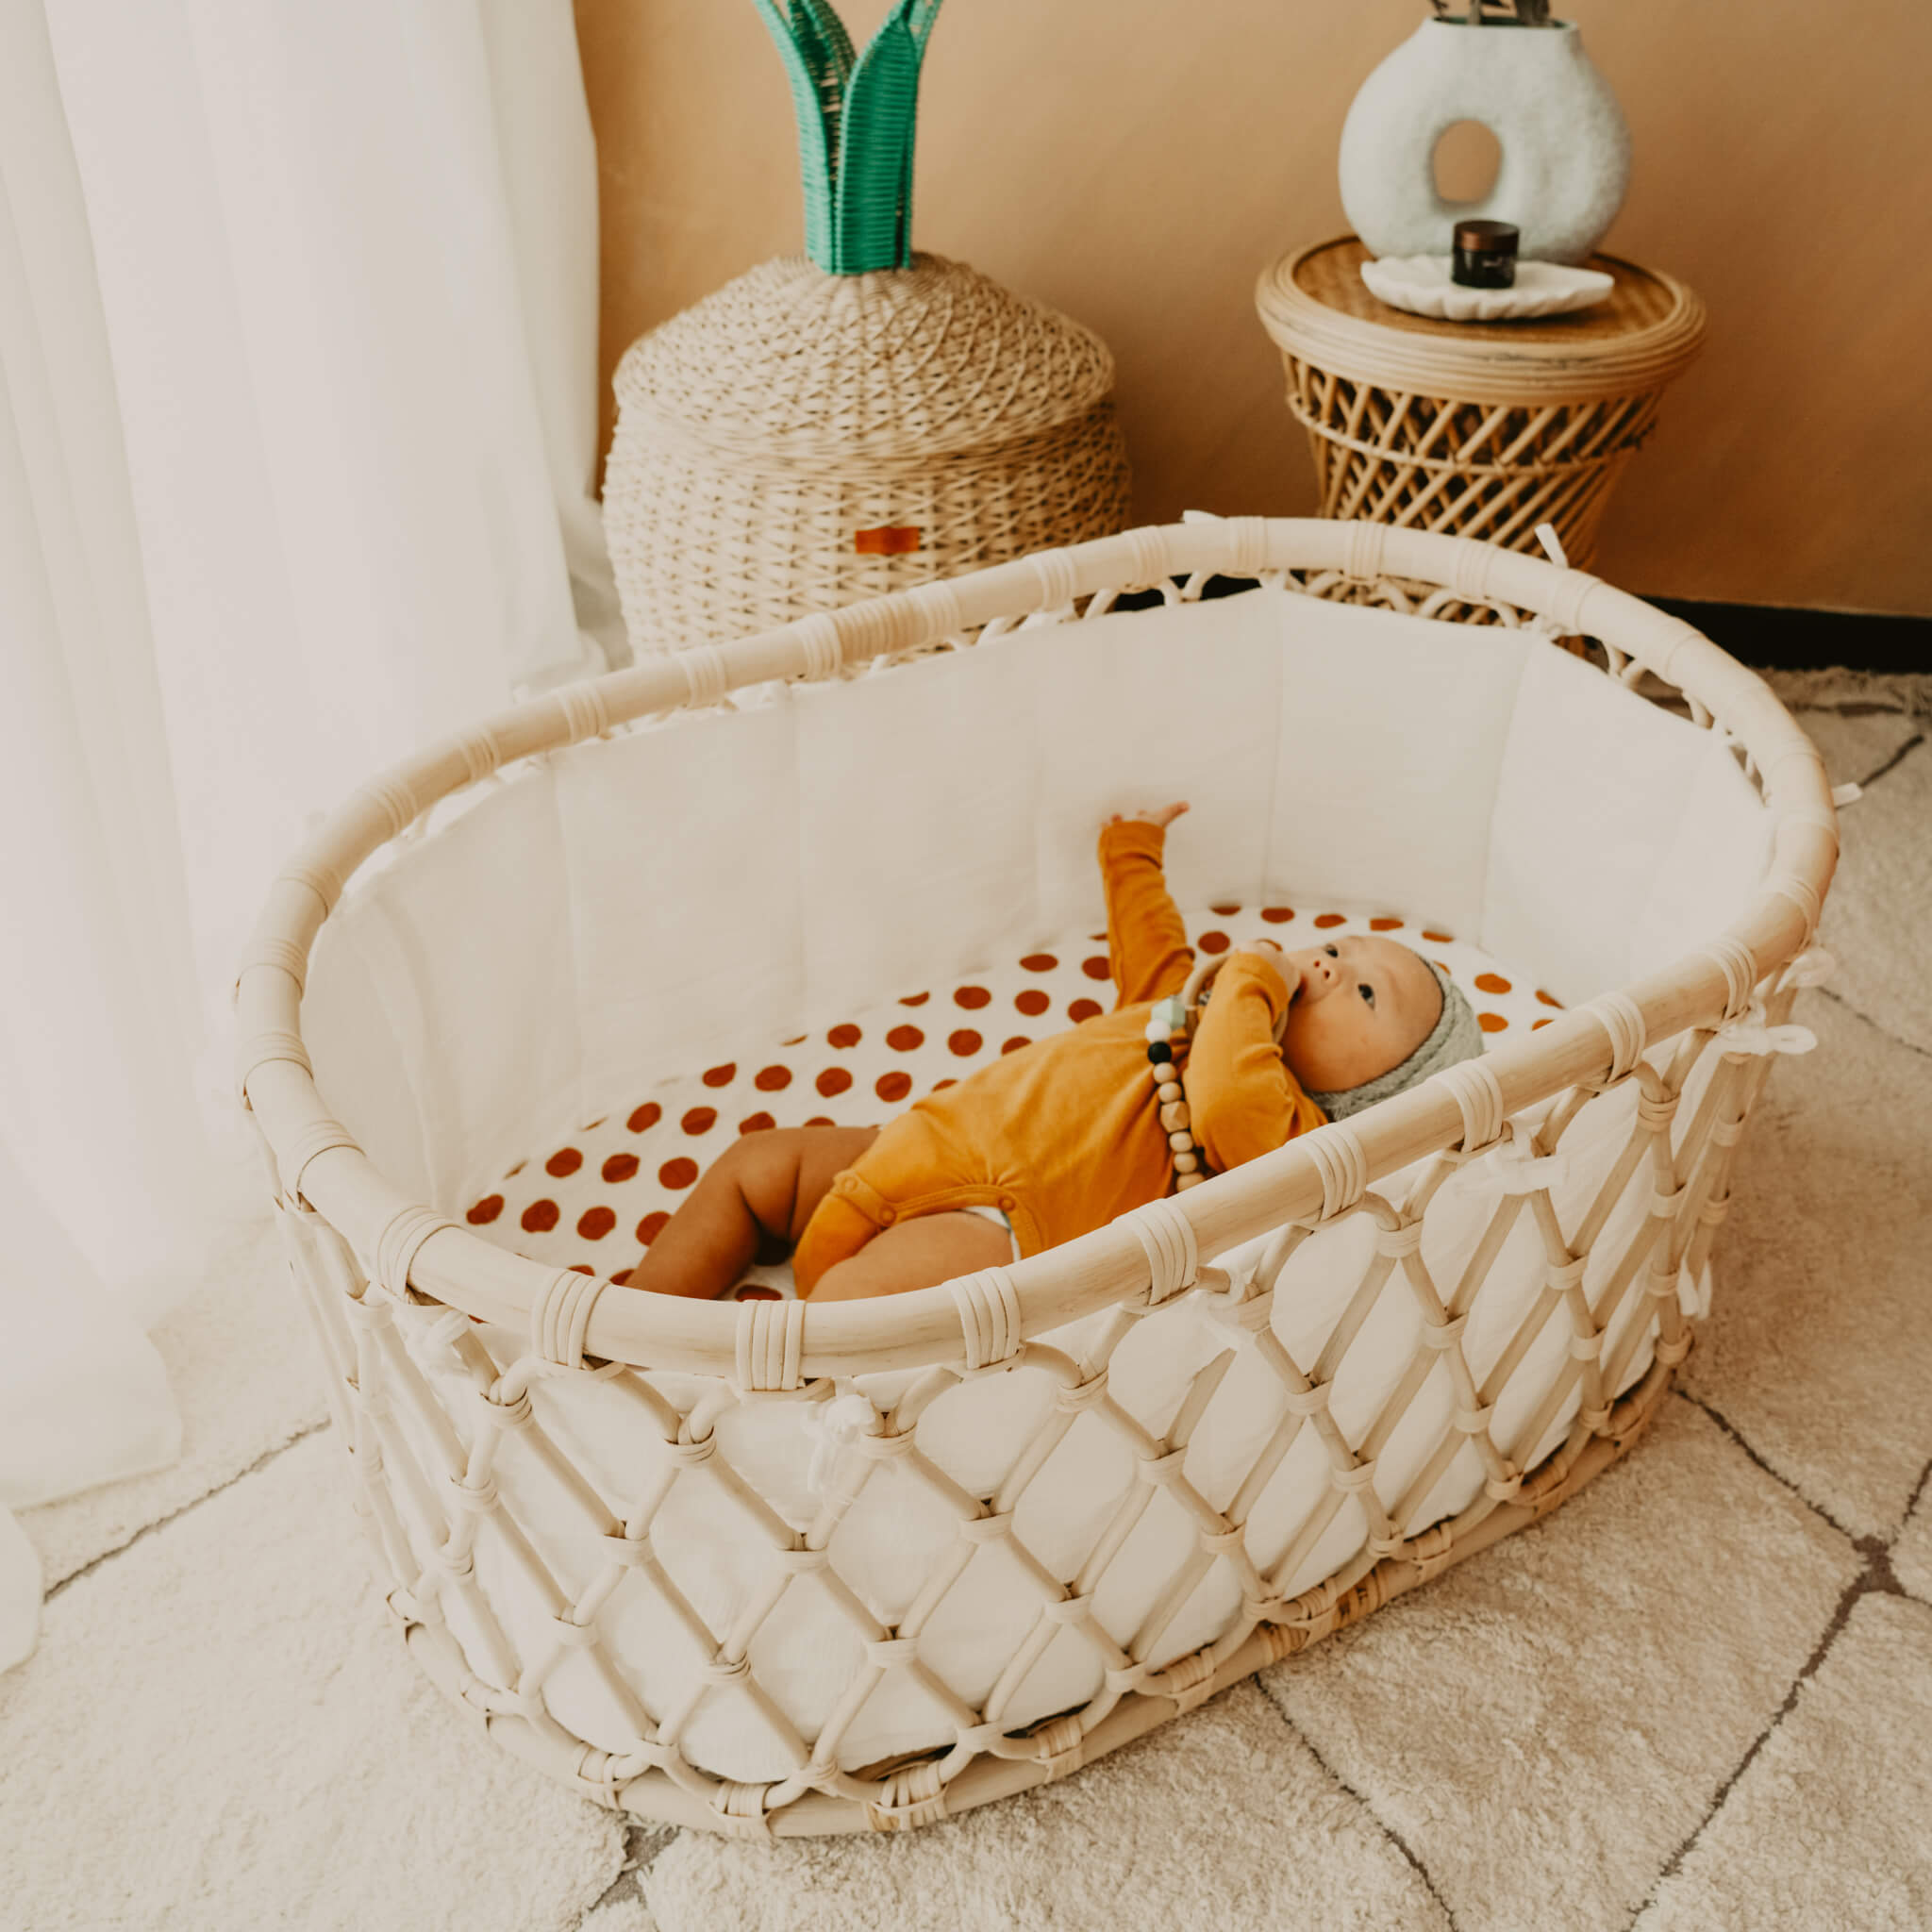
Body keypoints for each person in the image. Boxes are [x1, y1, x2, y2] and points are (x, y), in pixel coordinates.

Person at [625, 802, 1483, 1305]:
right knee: (758, 1163)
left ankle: (728, 1377)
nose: (1334, 964)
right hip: (910, 1149)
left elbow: (1222, 1101)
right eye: (1345, 948)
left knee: (854, 1311)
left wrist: (1255, 972)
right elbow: (1150, 951)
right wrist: (1133, 854)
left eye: (1369, 993)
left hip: (997, 1229)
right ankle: (642, 1316)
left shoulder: (1288, 1136)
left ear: (1381, 1095)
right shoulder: (1185, 1014)